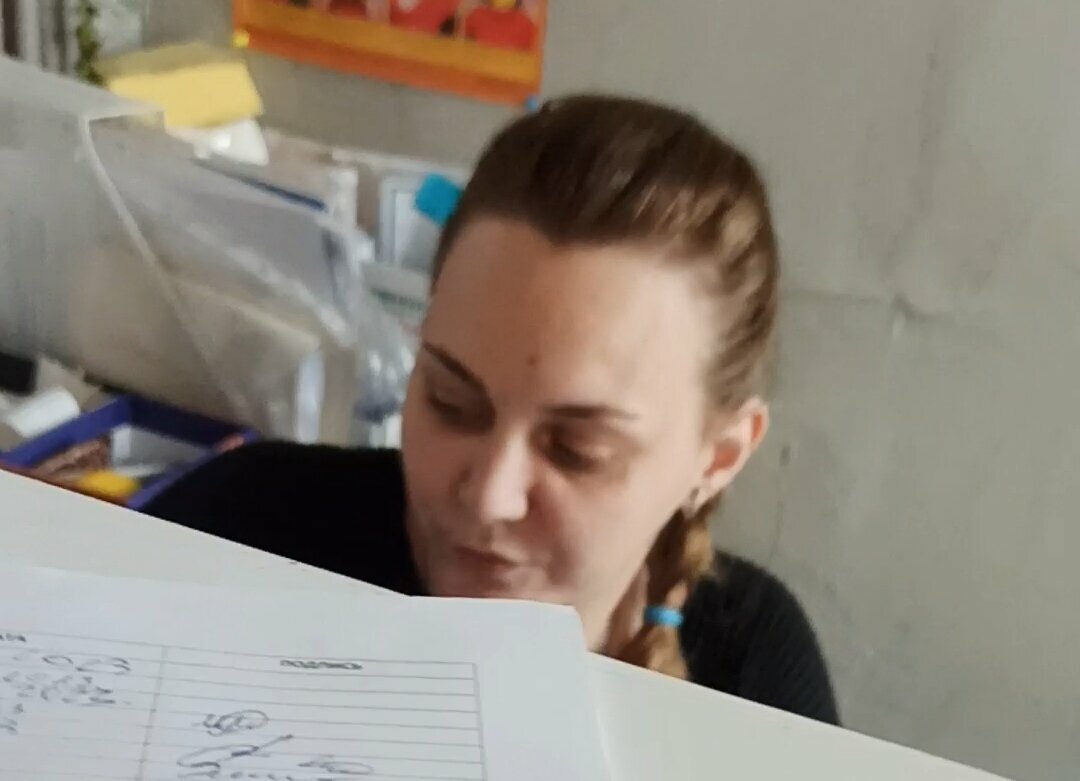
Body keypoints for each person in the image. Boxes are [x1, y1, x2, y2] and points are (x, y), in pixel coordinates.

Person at [145, 95, 839, 724]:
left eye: (578, 450)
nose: (489, 495)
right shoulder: (240, 529)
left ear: (718, 458)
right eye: (451, 402)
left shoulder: (757, 674)